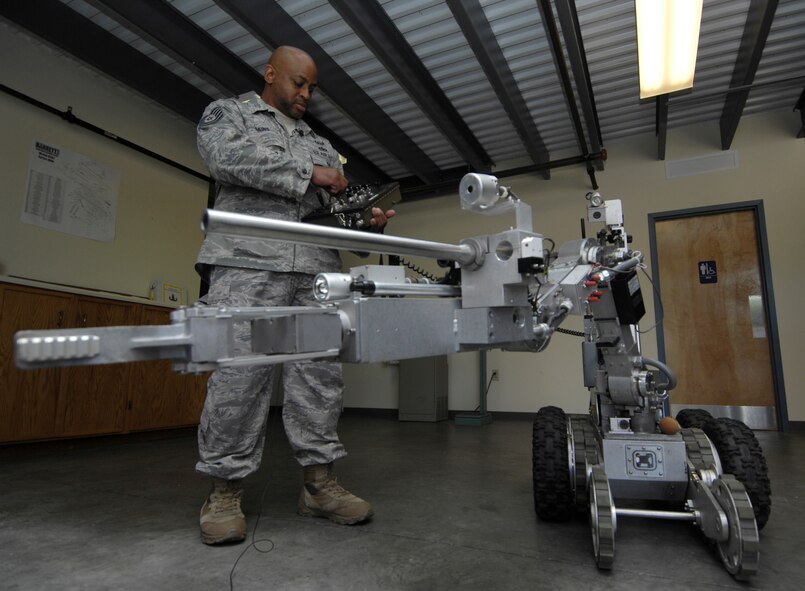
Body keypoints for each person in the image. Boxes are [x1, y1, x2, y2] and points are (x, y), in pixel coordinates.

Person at [194, 46, 395, 545]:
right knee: (239, 376)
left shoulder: (322, 145)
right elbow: (225, 158)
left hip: (315, 271)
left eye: (311, 87)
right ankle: (224, 492)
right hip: (247, 263)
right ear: (270, 74)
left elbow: (334, 204)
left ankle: (319, 486)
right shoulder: (230, 113)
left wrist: (362, 217)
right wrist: (308, 174)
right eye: (298, 83)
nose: (305, 94)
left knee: (319, 378)